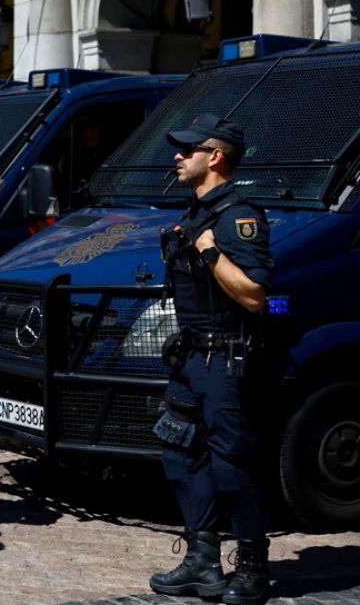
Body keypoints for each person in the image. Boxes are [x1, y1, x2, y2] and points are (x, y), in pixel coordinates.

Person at [150, 114, 274, 605]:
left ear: (215, 156)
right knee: (179, 454)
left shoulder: (236, 218)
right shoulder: (195, 213)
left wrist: (210, 255)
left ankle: (252, 569)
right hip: (191, 358)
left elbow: (256, 296)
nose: (177, 157)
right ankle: (203, 563)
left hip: (227, 360)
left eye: (187, 149)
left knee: (231, 467)